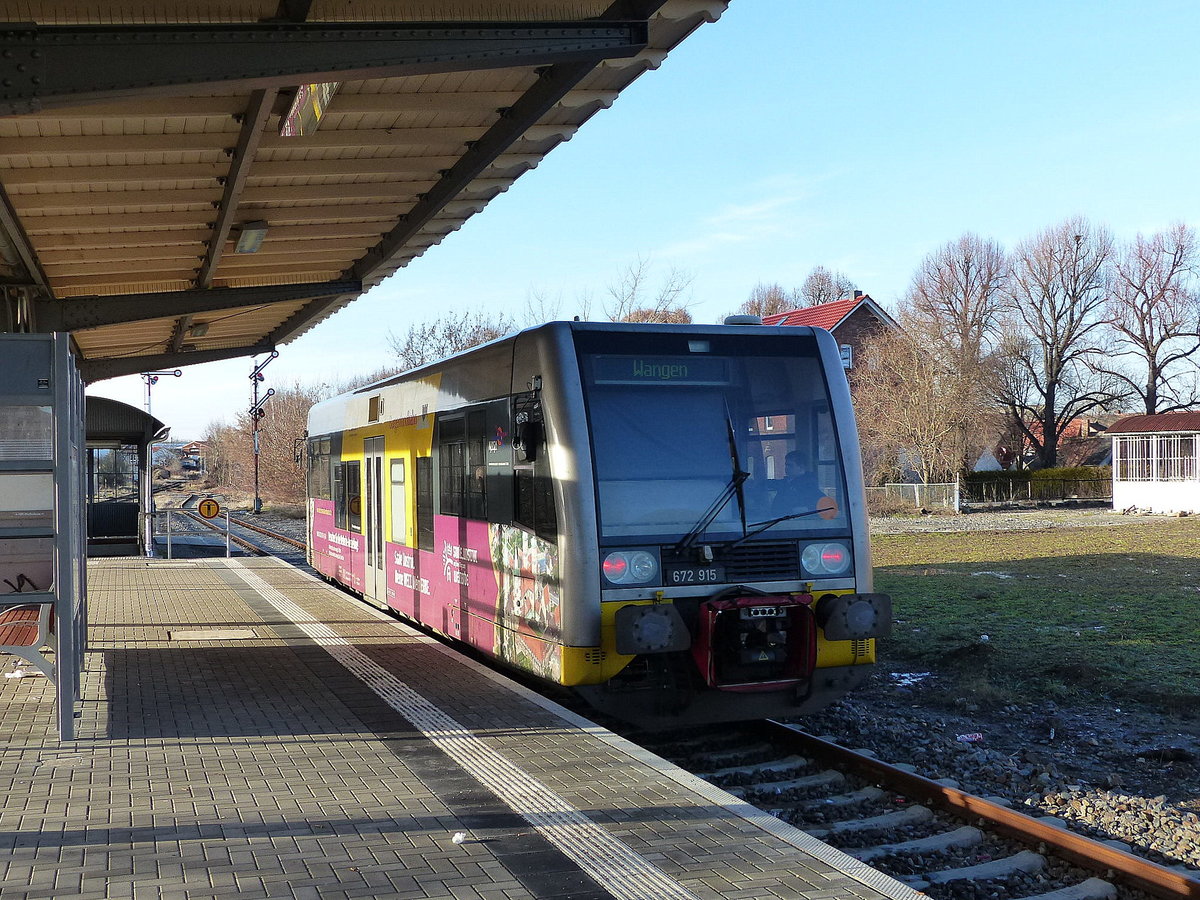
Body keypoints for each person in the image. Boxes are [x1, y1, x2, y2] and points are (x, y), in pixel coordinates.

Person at [771, 450, 826, 516]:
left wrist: (807, 508)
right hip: (777, 522)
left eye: (790, 465)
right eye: (786, 465)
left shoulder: (808, 485)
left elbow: (825, 506)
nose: (786, 468)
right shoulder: (785, 483)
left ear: (801, 467)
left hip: (796, 523)